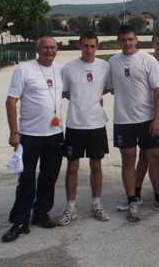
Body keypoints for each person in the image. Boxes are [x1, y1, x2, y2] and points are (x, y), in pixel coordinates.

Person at [2, 36, 64, 242]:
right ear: (37, 49)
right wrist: (14, 132)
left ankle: (41, 212)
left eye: (52, 47)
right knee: (27, 177)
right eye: (45, 47)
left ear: (57, 49)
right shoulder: (24, 70)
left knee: (49, 175)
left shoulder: (61, 70)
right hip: (30, 134)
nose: (49, 51)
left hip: (55, 134)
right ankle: (20, 221)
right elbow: (11, 102)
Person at [108, 25, 159, 222]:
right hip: (123, 121)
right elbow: (109, 88)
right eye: (123, 40)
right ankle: (132, 200)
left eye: (130, 39)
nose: (127, 43)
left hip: (147, 120)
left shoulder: (147, 60)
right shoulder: (112, 62)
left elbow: (158, 92)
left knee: (156, 159)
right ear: (119, 41)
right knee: (128, 160)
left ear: (136, 40)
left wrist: (157, 119)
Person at [117, 30, 159, 213]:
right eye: (158, 43)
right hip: (148, 116)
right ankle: (135, 194)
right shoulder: (146, 61)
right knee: (144, 155)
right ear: (152, 44)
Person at [57, 31, 111, 226]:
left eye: (93, 46)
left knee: (96, 166)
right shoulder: (69, 67)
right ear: (79, 45)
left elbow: (107, 88)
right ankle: (70, 208)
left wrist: (93, 99)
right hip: (74, 125)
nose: (89, 50)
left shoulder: (104, 66)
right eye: (85, 45)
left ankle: (96, 204)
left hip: (96, 124)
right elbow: (64, 92)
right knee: (72, 167)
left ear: (97, 47)